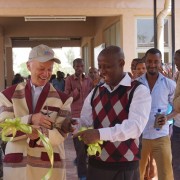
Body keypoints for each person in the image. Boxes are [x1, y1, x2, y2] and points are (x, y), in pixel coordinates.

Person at [74, 45, 151, 180]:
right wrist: (72, 124)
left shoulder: (138, 91)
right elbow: (85, 122)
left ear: (121, 63)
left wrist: (99, 134)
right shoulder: (96, 92)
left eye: (107, 66)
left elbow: (134, 127)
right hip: (96, 166)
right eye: (100, 66)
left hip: (124, 167)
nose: (102, 71)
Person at [0, 44, 75, 180]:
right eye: (41, 68)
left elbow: (61, 133)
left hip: (49, 169)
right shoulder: (8, 95)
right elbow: (4, 129)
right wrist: (30, 120)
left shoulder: (63, 99)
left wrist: (39, 134)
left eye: (49, 69)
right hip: (17, 169)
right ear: (29, 66)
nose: (46, 74)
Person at [138, 48, 176, 180]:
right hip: (139, 137)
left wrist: (168, 117)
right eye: (149, 61)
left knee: (166, 174)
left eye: (156, 61)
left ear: (160, 63)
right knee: (137, 174)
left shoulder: (169, 84)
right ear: (145, 61)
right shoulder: (136, 84)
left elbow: (178, 107)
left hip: (161, 136)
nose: (152, 64)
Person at [64, 58, 93, 180]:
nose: (79, 68)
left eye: (81, 66)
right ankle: (82, 175)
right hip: (75, 115)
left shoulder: (88, 80)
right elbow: (66, 97)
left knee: (89, 145)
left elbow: (93, 94)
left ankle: (87, 169)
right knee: (79, 147)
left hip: (88, 116)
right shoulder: (69, 80)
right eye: (77, 66)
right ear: (73, 67)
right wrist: (76, 91)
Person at [171, 49, 180, 180]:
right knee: (176, 164)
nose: (175, 62)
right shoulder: (177, 75)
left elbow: (177, 104)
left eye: (177, 59)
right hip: (177, 126)